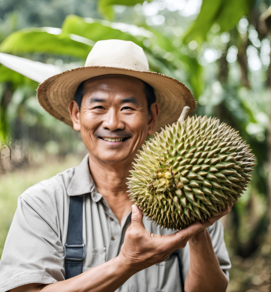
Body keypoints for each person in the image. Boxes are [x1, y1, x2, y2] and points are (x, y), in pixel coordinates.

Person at [0, 40, 232, 292]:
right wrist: (127, 263)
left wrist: (196, 230)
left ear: (152, 117)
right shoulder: (42, 203)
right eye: (98, 107)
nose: (112, 123)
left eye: (127, 108)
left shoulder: (189, 195)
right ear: (76, 114)